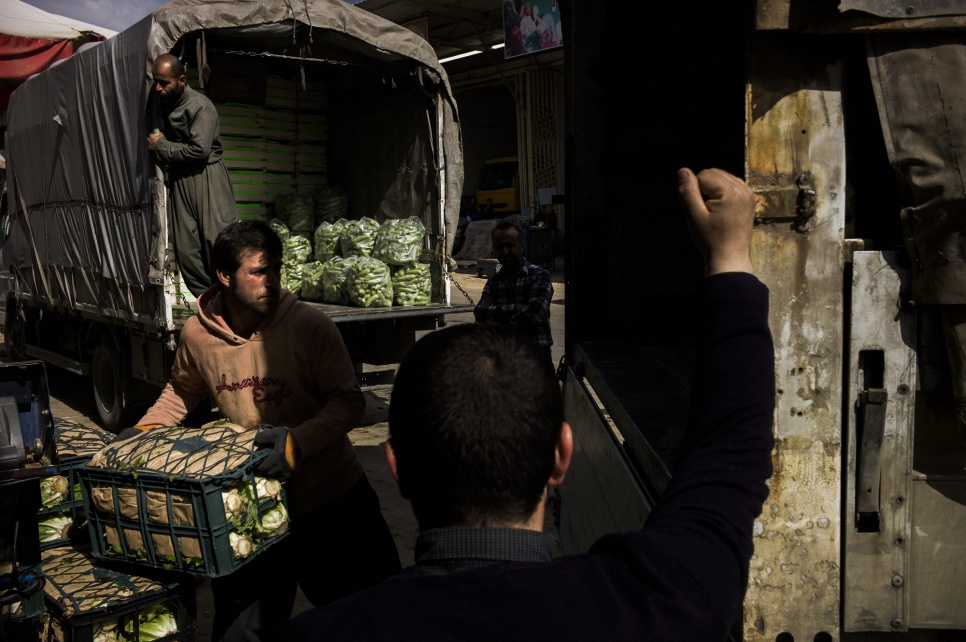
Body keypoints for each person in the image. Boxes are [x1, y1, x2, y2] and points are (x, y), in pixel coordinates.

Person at [277, 167, 776, 640]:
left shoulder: (329, 632)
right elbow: (730, 458)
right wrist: (729, 260)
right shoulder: (654, 605)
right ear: (562, 454)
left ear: (396, 467)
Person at [116, 220, 402, 641]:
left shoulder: (310, 325)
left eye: (276, 269)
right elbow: (182, 389)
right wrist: (144, 429)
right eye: (258, 271)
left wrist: (297, 442)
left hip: (330, 497)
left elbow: (348, 403)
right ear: (225, 276)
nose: (271, 281)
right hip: (249, 509)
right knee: (243, 631)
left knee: (373, 617)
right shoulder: (198, 334)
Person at [148, 53, 238, 297]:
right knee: (186, 248)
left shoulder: (200, 106)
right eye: (155, 81)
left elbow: (199, 151)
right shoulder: (163, 103)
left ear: (182, 81)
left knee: (216, 241)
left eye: (164, 82)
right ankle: (207, 300)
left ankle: (228, 300)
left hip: (206, 176)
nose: (158, 88)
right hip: (182, 178)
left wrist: (162, 147)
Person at [474, 220, 554, 368]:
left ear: (522, 245)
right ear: (494, 249)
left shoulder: (539, 275)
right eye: (499, 247)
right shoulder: (494, 281)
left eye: (510, 246)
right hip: (503, 359)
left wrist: (498, 321)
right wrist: (516, 308)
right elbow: (480, 314)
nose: (505, 252)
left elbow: (536, 314)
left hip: (535, 358)